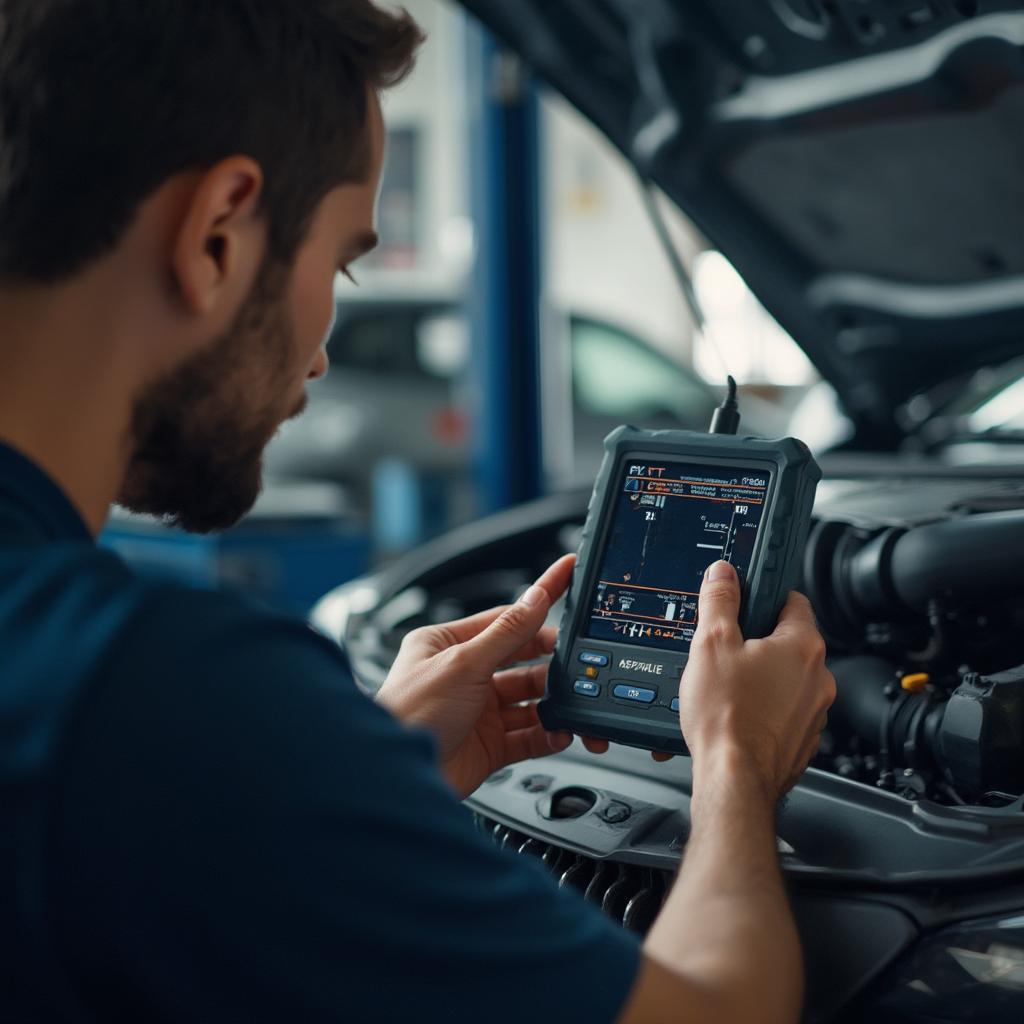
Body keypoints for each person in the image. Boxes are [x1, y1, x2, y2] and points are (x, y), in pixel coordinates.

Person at [0, 2, 836, 1021]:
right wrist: (738, 768)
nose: (318, 351)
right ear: (218, 232)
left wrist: (362, 769)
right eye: (342, 260)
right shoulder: (151, 691)